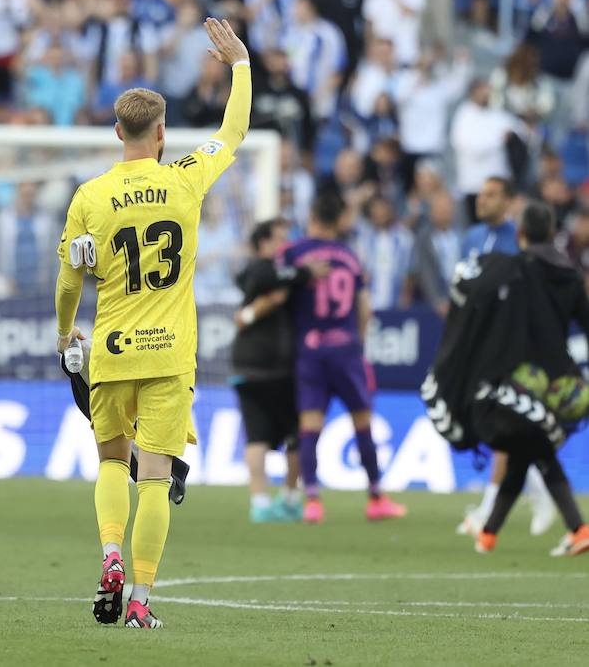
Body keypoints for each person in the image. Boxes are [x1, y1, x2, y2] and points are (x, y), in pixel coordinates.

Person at [54, 18, 251, 629]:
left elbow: (69, 280)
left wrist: (66, 338)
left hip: (111, 350)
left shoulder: (89, 196)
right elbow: (234, 130)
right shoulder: (186, 179)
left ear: (118, 132)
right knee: (156, 481)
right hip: (170, 356)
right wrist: (240, 66)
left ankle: (110, 554)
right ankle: (140, 600)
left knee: (112, 463)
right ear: (161, 133)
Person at [425, 201, 589, 557]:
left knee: (526, 445)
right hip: (562, 381)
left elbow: (493, 313)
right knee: (528, 448)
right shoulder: (572, 275)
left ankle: (577, 528)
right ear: (552, 232)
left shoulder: (518, 270)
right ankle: (490, 535)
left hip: (522, 376)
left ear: (521, 235)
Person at [281, 192, 407, 525]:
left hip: (309, 348)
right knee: (362, 421)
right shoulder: (350, 257)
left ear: (312, 214)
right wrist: (358, 343)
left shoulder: (295, 254)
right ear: (338, 219)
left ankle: (312, 501)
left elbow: (278, 291)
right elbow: (365, 308)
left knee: (310, 425)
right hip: (346, 349)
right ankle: (376, 497)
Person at [455, 176, 557, 536]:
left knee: (502, 424)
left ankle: (488, 510)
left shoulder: (518, 240)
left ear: (510, 202)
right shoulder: (470, 237)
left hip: (509, 344)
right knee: (496, 425)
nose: (482, 201)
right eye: (481, 194)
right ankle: (542, 493)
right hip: (478, 341)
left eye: (492, 195)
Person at [230, 219, 303, 523]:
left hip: (251, 365)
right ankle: (286, 498)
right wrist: (307, 271)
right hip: (271, 366)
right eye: (279, 238)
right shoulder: (264, 268)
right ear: (263, 243)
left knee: (257, 437)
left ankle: (261, 501)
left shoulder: (258, 273)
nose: (285, 244)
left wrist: (250, 312)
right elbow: (274, 284)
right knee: (294, 434)